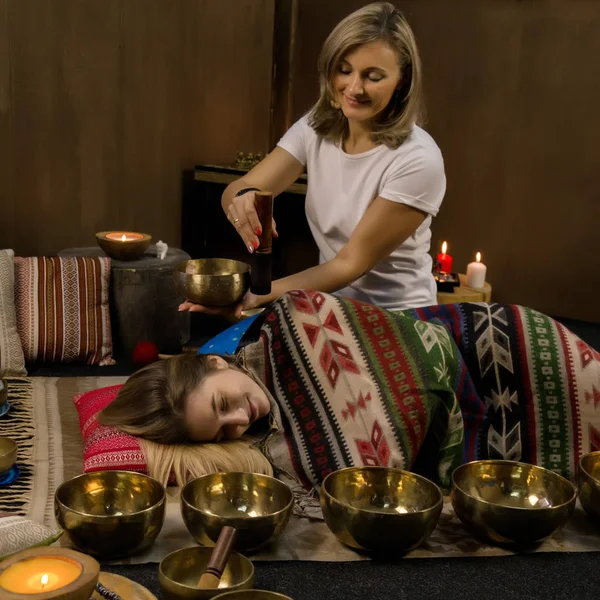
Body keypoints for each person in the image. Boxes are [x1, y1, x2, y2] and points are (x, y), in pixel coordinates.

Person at [100, 291, 597, 499]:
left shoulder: (288, 322)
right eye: (224, 431)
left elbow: (407, 364)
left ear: (214, 361)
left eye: (222, 403)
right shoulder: (266, 438)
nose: (238, 420)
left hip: (496, 347)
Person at [180, 2, 446, 318]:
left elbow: (349, 264)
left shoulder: (418, 159)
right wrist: (241, 200)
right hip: (330, 308)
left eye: (373, 76)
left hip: (398, 318)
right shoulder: (316, 128)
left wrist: (257, 296)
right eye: (344, 70)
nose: (355, 88)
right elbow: (242, 186)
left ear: (402, 79)